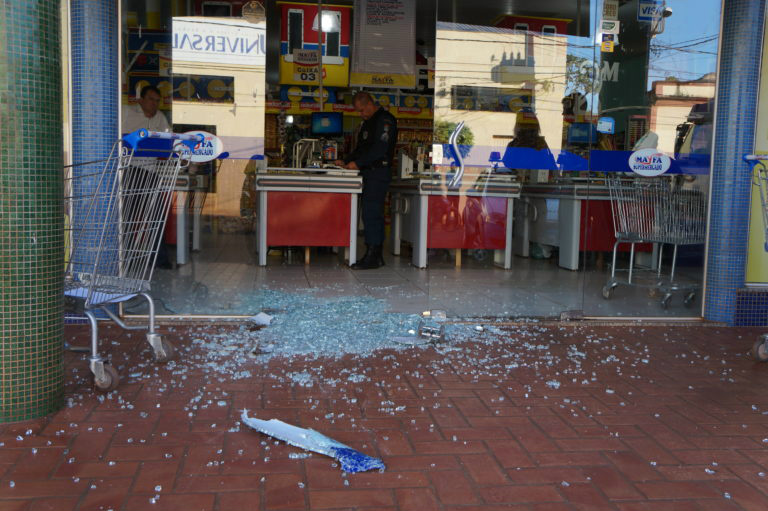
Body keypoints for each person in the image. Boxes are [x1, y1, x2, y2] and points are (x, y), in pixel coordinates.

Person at [335, 92, 397, 270]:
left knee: (372, 213)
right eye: (359, 111)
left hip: (378, 172)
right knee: (369, 213)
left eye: (362, 110)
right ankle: (375, 255)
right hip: (368, 173)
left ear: (370, 103)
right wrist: (346, 161)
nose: (361, 114)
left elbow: (380, 148)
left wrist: (359, 163)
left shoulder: (385, 120)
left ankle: (373, 256)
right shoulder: (367, 124)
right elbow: (361, 149)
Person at [121, 85, 172, 269]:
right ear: (141, 100)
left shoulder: (160, 118)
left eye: (157, 101)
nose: (155, 104)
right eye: (151, 99)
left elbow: (168, 141)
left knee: (157, 215)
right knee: (128, 216)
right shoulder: (127, 112)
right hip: (131, 170)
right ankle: (124, 255)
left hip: (151, 172)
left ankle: (160, 259)